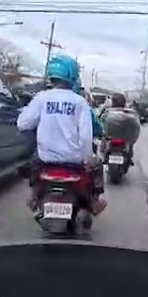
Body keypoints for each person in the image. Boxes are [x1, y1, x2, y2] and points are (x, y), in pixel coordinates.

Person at [17, 54, 107, 215]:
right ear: (73, 75)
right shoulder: (80, 102)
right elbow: (85, 137)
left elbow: (23, 124)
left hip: (46, 159)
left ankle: (33, 198)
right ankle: (94, 202)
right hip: (74, 161)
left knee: (33, 166)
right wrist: (88, 159)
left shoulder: (41, 98)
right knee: (97, 165)